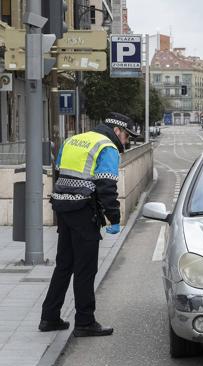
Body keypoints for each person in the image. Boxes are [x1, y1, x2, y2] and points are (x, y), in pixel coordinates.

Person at [39, 112, 139, 337]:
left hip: (63, 208)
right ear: (116, 131)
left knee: (64, 264)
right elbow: (106, 186)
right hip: (84, 211)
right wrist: (113, 218)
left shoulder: (73, 140)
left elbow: (57, 173)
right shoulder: (107, 148)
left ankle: (49, 317)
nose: (126, 142)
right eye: (126, 136)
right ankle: (84, 322)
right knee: (86, 268)